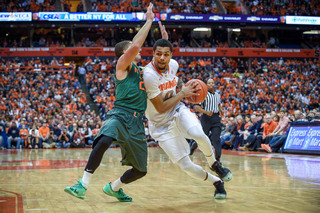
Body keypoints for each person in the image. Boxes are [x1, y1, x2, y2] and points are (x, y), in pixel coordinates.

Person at [64, 3, 155, 202]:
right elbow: (137, 46)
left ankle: (114, 187)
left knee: (141, 170)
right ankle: (82, 185)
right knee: (104, 140)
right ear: (124, 53)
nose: (134, 48)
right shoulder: (122, 65)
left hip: (138, 122)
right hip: (120, 114)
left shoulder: (145, 71)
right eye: (130, 47)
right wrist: (149, 21)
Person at [143, 38, 232, 199]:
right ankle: (217, 182)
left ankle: (214, 164)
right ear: (153, 54)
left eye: (166, 54)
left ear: (171, 55)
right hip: (159, 123)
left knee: (198, 135)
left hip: (177, 110)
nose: (162, 58)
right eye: (158, 54)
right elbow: (161, 107)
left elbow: (174, 81)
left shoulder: (174, 65)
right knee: (185, 165)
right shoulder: (149, 75)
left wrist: (187, 92)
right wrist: (183, 93)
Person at [193, 79, 224, 161]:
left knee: (216, 138)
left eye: (212, 82)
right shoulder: (204, 94)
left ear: (214, 84)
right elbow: (197, 107)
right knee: (202, 137)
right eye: (209, 82)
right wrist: (206, 112)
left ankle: (217, 159)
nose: (211, 84)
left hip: (216, 118)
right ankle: (193, 146)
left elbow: (218, 104)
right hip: (206, 118)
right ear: (206, 84)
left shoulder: (217, 94)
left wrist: (220, 109)